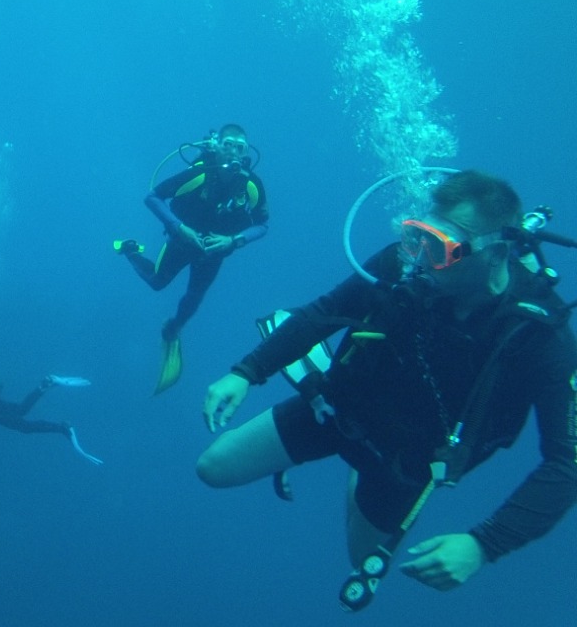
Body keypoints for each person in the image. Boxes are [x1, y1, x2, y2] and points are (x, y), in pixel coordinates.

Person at [196, 170, 577, 602]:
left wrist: (483, 545)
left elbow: (568, 463)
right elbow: (326, 311)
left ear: (496, 253)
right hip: (339, 407)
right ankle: (327, 431)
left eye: (441, 248)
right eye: (418, 236)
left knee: (361, 562)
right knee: (213, 468)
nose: (419, 256)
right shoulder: (404, 265)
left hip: (406, 462)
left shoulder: (541, 336)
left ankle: (359, 476)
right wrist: (246, 372)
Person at [116, 124, 269, 392]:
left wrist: (234, 240)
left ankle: (171, 331)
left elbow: (262, 225)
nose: (233, 151)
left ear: (246, 152)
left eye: (240, 147)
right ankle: (130, 250)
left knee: (193, 301)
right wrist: (179, 228)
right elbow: (152, 198)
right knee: (157, 282)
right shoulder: (199, 175)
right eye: (228, 144)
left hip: (213, 252)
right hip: (180, 243)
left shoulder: (251, 185)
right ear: (217, 146)